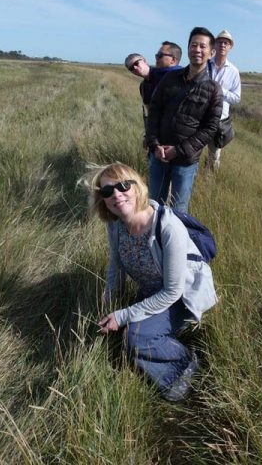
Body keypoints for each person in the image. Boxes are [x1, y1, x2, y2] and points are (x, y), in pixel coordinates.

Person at [89, 162, 217, 401]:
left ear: (137, 188)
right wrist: (107, 301)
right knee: (126, 335)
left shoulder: (167, 227)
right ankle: (162, 350)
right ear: (103, 200)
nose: (116, 194)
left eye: (123, 186)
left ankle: (186, 365)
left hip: (181, 297)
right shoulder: (116, 225)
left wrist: (124, 315)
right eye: (107, 192)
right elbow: (115, 266)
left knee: (136, 337)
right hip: (151, 292)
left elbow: (172, 291)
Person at [145, 27, 223, 212]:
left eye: (202, 46)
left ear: (211, 52)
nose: (197, 50)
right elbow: (154, 110)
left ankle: (176, 241)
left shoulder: (213, 89)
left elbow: (210, 128)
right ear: (188, 48)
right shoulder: (170, 78)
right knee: (154, 206)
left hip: (185, 161)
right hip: (159, 156)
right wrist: (154, 144)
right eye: (193, 45)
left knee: (179, 211)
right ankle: (155, 241)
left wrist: (179, 150)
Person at [124, 42, 183, 135]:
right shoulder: (143, 87)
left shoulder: (175, 75)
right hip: (159, 137)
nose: (135, 68)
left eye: (136, 63)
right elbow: (151, 112)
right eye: (131, 68)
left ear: (144, 60)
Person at [206, 30, 241, 171]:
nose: (223, 45)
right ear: (214, 44)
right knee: (192, 151)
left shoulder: (233, 71)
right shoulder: (205, 65)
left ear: (230, 47)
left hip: (219, 119)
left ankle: (208, 183)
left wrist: (221, 90)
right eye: (220, 41)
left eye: (226, 43)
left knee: (214, 155)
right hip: (200, 116)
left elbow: (236, 98)